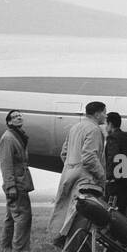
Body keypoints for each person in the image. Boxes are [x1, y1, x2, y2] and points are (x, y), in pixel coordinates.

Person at [49, 102, 108, 242]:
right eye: (104, 113)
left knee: (66, 216)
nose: (105, 116)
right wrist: (101, 176)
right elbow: (89, 157)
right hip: (85, 180)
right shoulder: (94, 130)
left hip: (69, 175)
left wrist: (72, 168)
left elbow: (64, 153)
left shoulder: (75, 127)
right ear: (97, 114)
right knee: (80, 219)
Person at [0, 110, 34, 252]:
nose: (19, 118)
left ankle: (6, 249)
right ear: (9, 122)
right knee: (23, 217)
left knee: (12, 218)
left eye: (20, 116)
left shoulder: (18, 136)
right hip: (16, 184)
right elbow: (6, 164)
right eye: (15, 117)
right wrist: (10, 186)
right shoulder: (8, 138)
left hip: (20, 181)